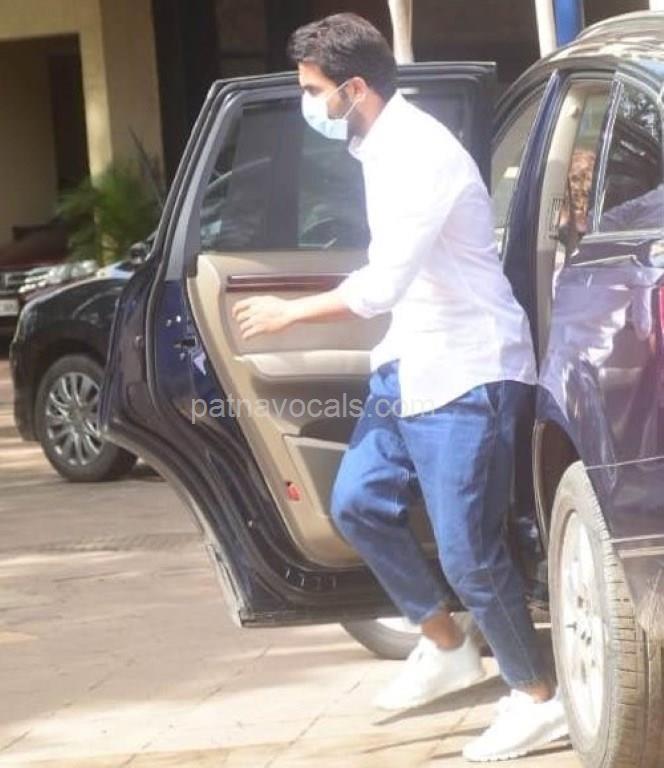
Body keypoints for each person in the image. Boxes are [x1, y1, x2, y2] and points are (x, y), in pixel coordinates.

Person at [232, 13, 567, 762]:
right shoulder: (376, 146)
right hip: (410, 362)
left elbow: (381, 285)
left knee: (470, 555)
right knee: (357, 502)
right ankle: (445, 644)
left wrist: (289, 313)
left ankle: (536, 699)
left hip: (466, 370)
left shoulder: (417, 153)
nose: (308, 105)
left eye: (312, 91)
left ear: (353, 88)